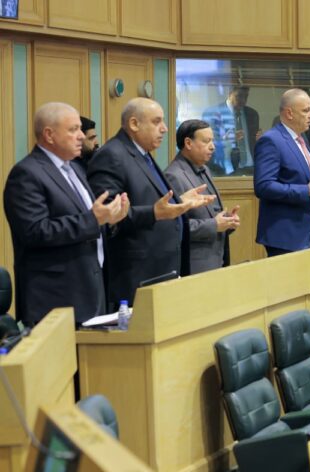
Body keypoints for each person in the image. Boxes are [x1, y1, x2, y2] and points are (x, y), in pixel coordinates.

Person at [4, 102, 129, 325]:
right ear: (49, 135)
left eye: (80, 128)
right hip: (54, 297)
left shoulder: (76, 169)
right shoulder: (26, 173)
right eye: (73, 129)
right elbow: (34, 231)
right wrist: (94, 219)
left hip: (91, 289)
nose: (81, 136)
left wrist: (111, 220)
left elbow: (90, 226)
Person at [88, 98, 215, 307]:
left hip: (161, 269)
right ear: (134, 124)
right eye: (156, 122)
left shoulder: (143, 154)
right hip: (137, 273)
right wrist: (154, 213)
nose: (164, 128)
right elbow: (108, 217)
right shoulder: (112, 155)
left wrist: (180, 201)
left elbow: (147, 199)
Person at [254, 89, 310, 257]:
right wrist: (307, 190)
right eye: (306, 110)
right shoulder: (271, 140)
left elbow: (302, 181)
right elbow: (263, 186)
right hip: (285, 234)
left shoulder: (301, 139)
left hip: (308, 230)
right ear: (289, 113)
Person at [165, 119, 240, 274]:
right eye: (206, 141)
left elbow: (210, 214)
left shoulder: (205, 169)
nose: (212, 146)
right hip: (194, 265)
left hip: (217, 259)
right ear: (188, 143)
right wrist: (214, 225)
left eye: (212, 140)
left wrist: (227, 221)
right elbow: (173, 226)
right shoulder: (174, 176)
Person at [202, 85, 261, 175]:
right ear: (229, 94)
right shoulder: (212, 113)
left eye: (246, 96)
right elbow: (207, 143)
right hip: (224, 170)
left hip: (251, 168)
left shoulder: (252, 114)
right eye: (239, 96)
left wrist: (260, 139)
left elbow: (254, 142)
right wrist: (226, 140)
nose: (243, 100)